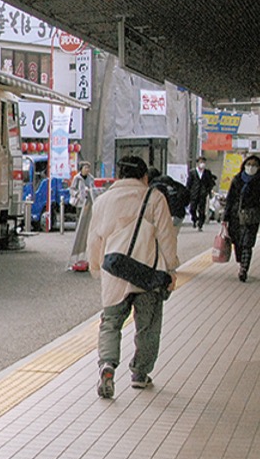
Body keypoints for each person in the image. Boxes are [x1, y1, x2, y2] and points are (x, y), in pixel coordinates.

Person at [86, 156, 179, 398]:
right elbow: (167, 237)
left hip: (114, 274)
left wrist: (96, 267)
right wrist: (171, 270)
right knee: (147, 327)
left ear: (119, 175)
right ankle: (140, 374)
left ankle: (107, 366)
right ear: (144, 176)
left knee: (110, 324)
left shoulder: (103, 201)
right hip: (148, 274)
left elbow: (94, 239)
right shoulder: (154, 198)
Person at [224, 154, 260, 282]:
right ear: (244, 165)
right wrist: (225, 217)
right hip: (235, 217)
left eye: (255, 165)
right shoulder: (237, 180)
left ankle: (244, 269)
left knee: (247, 244)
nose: (251, 167)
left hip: (252, 217)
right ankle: (241, 262)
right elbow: (230, 199)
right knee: (237, 242)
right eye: (249, 164)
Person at [147, 167, 190, 231]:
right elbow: (186, 193)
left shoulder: (154, 186)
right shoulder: (173, 182)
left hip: (166, 214)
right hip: (179, 213)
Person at [188, 156, 217, 231]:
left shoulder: (207, 172)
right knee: (192, 209)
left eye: (203, 162)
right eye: (201, 162)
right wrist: (188, 192)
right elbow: (189, 183)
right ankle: (194, 219)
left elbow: (210, 183)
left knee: (202, 210)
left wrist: (208, 191)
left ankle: (200, 224)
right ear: (197, 163)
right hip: (194, 193)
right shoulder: (192, 172)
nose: (202, 164)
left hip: (203, 194)